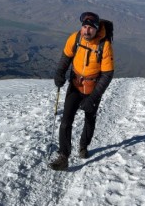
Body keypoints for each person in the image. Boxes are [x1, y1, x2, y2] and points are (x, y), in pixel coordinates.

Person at [49, 12, 114, 171]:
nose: (86, 31)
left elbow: (107, 74)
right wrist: (59, 73)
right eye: (84, 27)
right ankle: (64, 155)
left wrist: (93, 98)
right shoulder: (75, 38)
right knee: (66, 122)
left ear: (97, 29)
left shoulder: (104, 46)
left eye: (90, 28)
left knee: (89, 119)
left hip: (93, 89)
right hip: (75, 85)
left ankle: (83, 146)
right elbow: (66, 58)